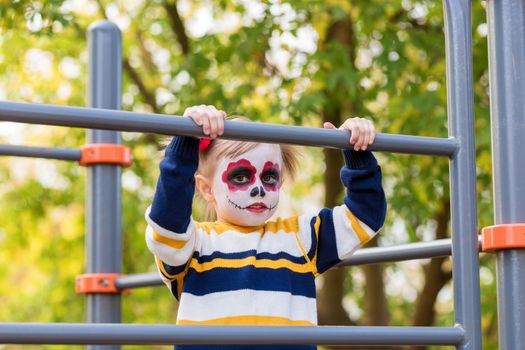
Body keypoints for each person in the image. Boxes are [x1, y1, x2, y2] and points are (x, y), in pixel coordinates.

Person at [145, 105, 387, 350]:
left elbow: (365, 215)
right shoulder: (195, 243)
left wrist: (357, 150)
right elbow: (166, 226)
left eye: (269, 177)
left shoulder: (299, 238)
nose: (259, 188)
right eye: (241, 177)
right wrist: (184, 142)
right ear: (206, 188)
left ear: (280, 183)